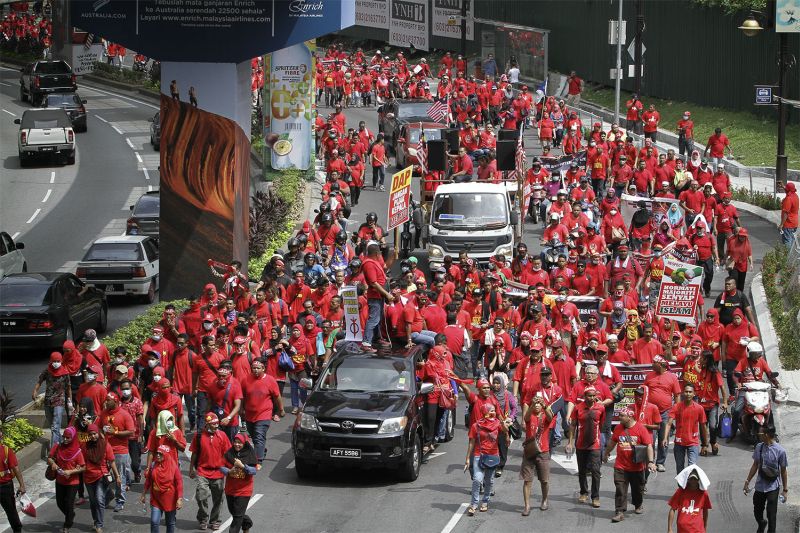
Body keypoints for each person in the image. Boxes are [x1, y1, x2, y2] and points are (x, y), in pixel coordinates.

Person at [602, 407, 656, 522]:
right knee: (620, 489)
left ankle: (638, 504)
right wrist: (606, 453)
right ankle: (619, 511)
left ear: (629, 417)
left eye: (622, 415)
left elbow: (649, 446)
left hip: (637, 467)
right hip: (620, 466)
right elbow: (612, 442)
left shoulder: (641, 429)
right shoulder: (618, 428)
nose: (619, 417)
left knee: (638, 490)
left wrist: (650, 462)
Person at [189, 412, 231, 531]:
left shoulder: (222, 435)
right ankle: (203, 518)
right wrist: (191, 469)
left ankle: (215, 520)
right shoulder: (199, 436)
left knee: (218, 499)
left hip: (218, 472)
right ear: (207, 424)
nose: (216, 426)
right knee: (201, 496)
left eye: (217, 423)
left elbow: (228, 455)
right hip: (203, 471)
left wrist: (230, 470)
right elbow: (194, 453)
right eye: (213, 424)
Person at [744, 426, 789, 533]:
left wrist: (785, 490)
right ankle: (761, 522)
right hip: (759, 486)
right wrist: (747, 481)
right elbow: (755, 465)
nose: (758, 436)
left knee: (771, 514)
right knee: (757, 511)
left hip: (773, 487)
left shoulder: (780, 451)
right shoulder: (759, 447)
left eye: (760, 434)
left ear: (766, 435)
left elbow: (783, 471)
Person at [566, 386, 605, 508]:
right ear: (584, 396)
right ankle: (583, 492)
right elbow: (573, 425)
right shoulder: (578, 408)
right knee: (582, 470)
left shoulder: (601, 408)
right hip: (581, 444)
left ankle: (595, 496)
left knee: (595, 471)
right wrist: (570, 442)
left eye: (594, 396)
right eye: (589, 395)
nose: (592, 398)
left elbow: (602, 425)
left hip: (595, 445)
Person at [465, 403, 507, 516]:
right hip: (479, 455)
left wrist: (503, 423)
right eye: (490, 411)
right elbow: (471, 443)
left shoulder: (497, 423)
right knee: (477, 479)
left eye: (494, 410)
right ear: (484, 412)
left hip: (493, 456)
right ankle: (474, 504)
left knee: (489, 481)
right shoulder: (476, 426)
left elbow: (505, 430)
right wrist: (468, 458)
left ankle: (485, 501)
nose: (493, 413)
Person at [240, 357, 284, 464]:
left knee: (259, 435)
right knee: (254, 436)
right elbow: (242, 396)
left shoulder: (270, 380)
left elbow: (277, 397)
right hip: (249, 414)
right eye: (253, 368)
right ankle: (261, 450)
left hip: (264, 414)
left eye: (258, 368)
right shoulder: (245, 380)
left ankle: (257, 461)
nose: (255, 370)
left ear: (263, 368)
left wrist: (280, 410)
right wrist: (241, 409)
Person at [81, 423, 121, 533]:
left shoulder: (105, 445)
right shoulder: (85, 446)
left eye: (95, 434)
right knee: (93, 502)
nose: (93, 436)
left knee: (99, 500)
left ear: (98, 433)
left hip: (101, 476)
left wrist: (117, 476)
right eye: (91, 434)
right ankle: (96, 520)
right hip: (88, 477)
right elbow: (81, 462)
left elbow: (112, 461)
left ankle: (99, 525)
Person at [98, 391, 134, 512]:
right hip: (105, 450)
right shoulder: (103, 414)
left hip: (120, 451)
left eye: (108, 400)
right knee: (102, 476)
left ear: (115, 401)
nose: (106, 402)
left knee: (120, 477)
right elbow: (98, 428)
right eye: (106, 400)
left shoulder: (124, 415)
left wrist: (116, 433)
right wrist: (101, 434)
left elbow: (131, 431)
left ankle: (120, 501)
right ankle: (108, 496)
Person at [47, 426, 86, 533]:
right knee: (60, 503)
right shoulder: (58, 446)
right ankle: (71, 515)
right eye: (64, 437)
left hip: (72, 483)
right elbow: (49, 457)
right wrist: (53, 463)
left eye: (68, 438)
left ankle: (67, 524)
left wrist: (71, 472)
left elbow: (83, 467)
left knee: (69, 503)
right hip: (60, 481)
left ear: (72, 438)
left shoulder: (78, 451)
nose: (65, 439)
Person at [663, 383, 709, 474]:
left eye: (690, 392)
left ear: (694, 394)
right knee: (680, 471)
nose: (688, 394)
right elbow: (668, 424)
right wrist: (665, 438)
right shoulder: (676, 406)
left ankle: (689, 487)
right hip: (679, 443)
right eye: (686, 392)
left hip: (693, 443)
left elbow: (703, 427)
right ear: (683, 393)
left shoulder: (699, 408)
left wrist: (705, 444)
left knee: (692, 469)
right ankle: (681, 488)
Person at [520, 396, 553, 515]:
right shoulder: (530, 416)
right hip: (529, 452)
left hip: (543, 452)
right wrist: (531, 405)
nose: (537, 405)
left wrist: (545, 406)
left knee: (544, 480)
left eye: (539, 403)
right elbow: (526, 417)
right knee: (527, 480)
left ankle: (545, 499)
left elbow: (550, 417)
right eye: (535, 403)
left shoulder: (545, 415)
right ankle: (527, 505)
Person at [220, 434, 259, 533]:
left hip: (244, 491)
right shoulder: (229, 453)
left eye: (240, 443)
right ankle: (247, 523)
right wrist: (229, 471)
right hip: (230, 489)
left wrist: (242, 466)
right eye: (235, 442)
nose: (237, 444)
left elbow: (254, 470)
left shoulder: (250, 454)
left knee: (237, 516)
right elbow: (221, 466)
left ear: (244, 443)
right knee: (234, 512)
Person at [33, 351, 72, 449]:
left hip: (59, 401)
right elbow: (40, 381)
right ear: (51, 361)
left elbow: (68, 388)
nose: (56, 363)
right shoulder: (47, 371)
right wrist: (35, 391)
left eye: (58, 361)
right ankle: (59, 447)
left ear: (61, 361)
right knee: (53, 426)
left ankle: (53, 453)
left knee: (55, 426)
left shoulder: (65, 373)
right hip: (48, 401)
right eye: (54, 361)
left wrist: (70, 401)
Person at [141, 444, 183, 533]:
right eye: (157, 453)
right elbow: (148, 480)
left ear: (166, 455)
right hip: (156, 499)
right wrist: (143, 494)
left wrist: (179, 498)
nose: (158, 455)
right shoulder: (153, 465)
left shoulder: (174, 467)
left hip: (170, 500)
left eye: (161, 453)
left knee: (170, 523)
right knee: (154, 522)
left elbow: (179, 483)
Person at [668, 466, 713, 533]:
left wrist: (705, 527)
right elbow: (672, 509)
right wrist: (670, 529)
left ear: (698, 480)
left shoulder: (703, 494)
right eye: (691, 479)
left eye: (695, 479)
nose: (693, 481)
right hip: (682, 529)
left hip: (697, 529)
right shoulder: (680, 491)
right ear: (688, 479)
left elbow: (705, 511)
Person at [0, 425, 26, 533]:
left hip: (5, 487)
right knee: (11, 511)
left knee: (11, 511)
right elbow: (16, 469)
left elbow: (15, 468)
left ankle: (17, 530)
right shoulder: (7, 450)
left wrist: (22, 485)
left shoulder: (6, 450)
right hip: (5, 487)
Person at [726, 227, 753, 291]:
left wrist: (751, 264)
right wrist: (726, 259)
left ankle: (739, 295)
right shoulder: (732, 241)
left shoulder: (747, 243)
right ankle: (732, 293)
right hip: (733, 264)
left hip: (743, 265)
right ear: (738, 236)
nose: (742, 238)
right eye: (741, 236)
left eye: (744, 236)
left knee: (741, 283)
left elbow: (749, 254)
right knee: (734, 279)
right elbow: (728, 251)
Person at [780, 181, 798, 246]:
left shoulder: (788, 199)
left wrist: (781, 225)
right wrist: (783, 186)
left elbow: (785, 213)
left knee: (787, 241)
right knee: (792, 240)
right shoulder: (795, 196)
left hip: (788, 224)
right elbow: (788, 190)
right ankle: (791, 255)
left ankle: (786, 256)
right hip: (795, 223)